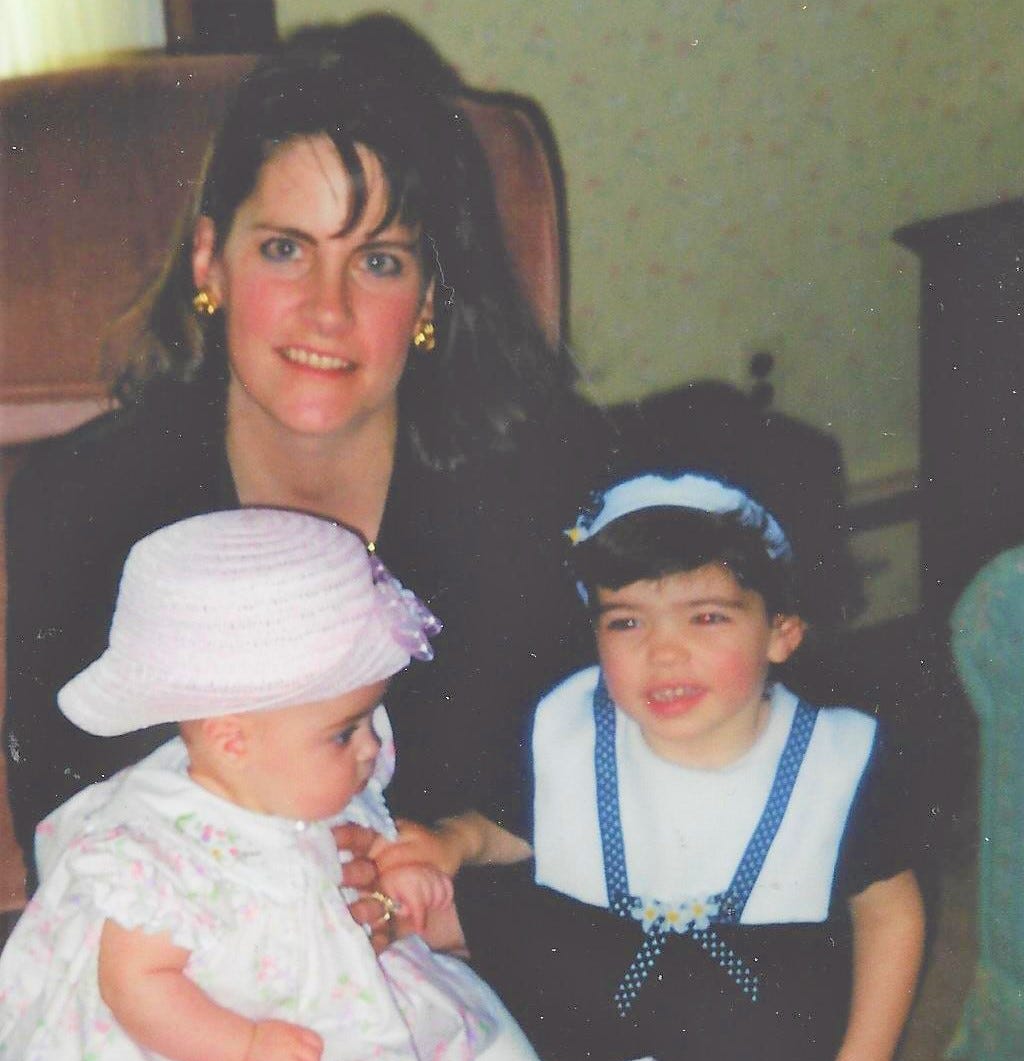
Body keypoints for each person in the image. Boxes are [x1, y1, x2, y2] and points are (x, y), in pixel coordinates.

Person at [4, 14, 601, 902]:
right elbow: (68, 828)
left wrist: (445, 910)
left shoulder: (533, 486)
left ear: (431, 293)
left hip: (471, 961)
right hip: (191, 984)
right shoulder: (79, 501)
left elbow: (595, 804)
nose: (328, 310)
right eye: (286, 250)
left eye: (381, 261)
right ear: (211, 262)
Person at [0, 508, 656, 1061]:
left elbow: (357, 854)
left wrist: (403, 874)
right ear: (232, 739)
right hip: (227, 1037)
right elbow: (136, 985)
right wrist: (244, 1046)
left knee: (458, 999)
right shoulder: (155, 845)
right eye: (347, 731)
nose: (371, 745)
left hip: (340, 980)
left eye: (371, 717)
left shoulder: (298, 766)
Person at [452, 469, 926, 1061]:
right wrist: (454, 841)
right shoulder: (568, 729)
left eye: (706, 618)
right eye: (627, 622)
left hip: (771, 1052)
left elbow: (890, 916)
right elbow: (512, 828)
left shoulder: (837, 761)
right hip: (604, 1033)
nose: (663, 652)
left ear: (782, 634)